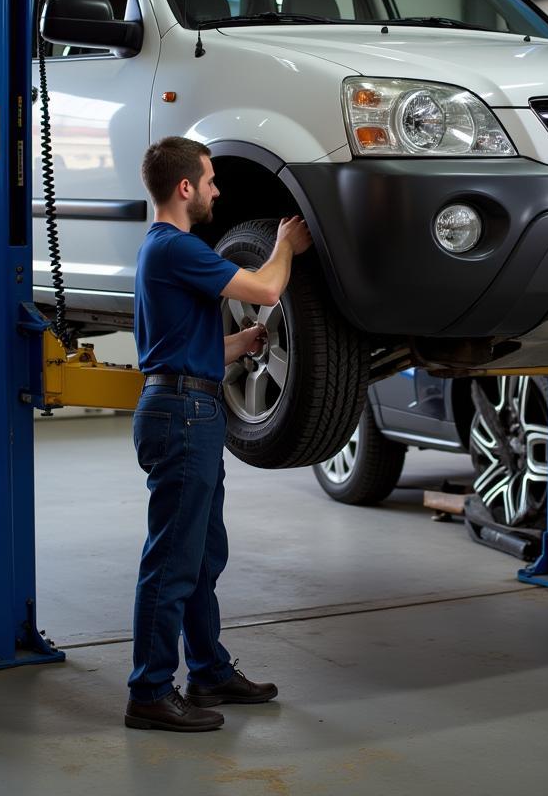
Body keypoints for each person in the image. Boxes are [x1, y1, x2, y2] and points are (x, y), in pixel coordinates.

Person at [125, 135, 312, 733]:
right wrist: (284, 245)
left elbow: (186, 348)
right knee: (172, 561)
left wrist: (240, 344)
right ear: (184, 188)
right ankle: (149, 692)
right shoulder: (176, 248)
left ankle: (208, 670)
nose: (216, 190)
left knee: (202, 557)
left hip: (185, 404)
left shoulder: (162, 252)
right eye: (210, 181)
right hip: (183, 415)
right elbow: (266, 289)